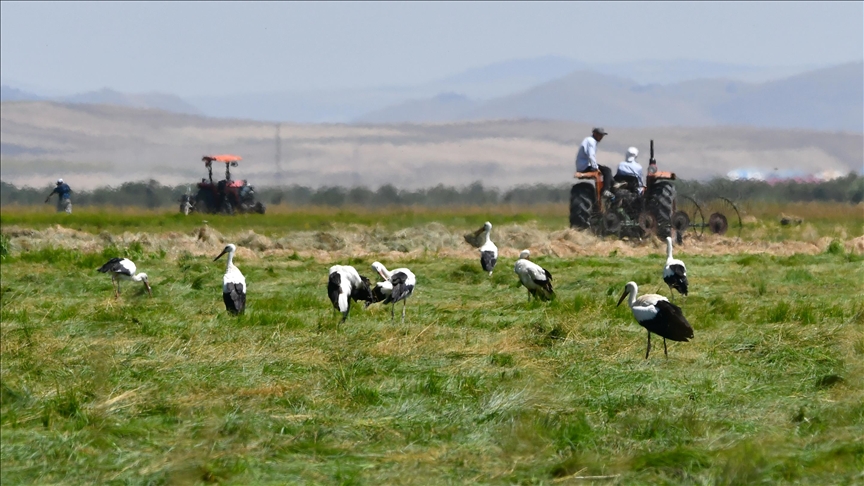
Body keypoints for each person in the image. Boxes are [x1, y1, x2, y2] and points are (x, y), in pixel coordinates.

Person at [575, 127, 614, 198]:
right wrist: (596, 168)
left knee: (605, 170)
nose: (601, 137)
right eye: (599, 135)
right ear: (594, 134)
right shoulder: (591, 141)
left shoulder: (589, 140)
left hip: (583, 165)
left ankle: (610, 185)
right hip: (585, 166)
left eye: (602, 135)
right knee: (607, 170)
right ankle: (605, 190)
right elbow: (591, 155)